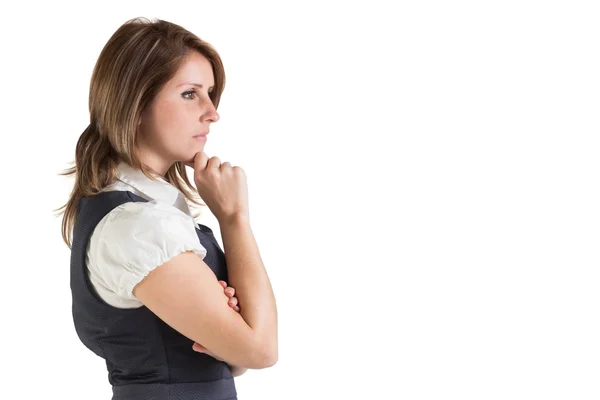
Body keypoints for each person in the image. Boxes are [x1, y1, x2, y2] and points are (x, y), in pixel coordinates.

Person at [55, 17, 278, 400]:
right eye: (190, 93)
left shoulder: (144, 214)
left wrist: (234, 341)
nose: (212, 112)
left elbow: (240, 357)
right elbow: (260, 351)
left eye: (210, 93)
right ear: (136, 103)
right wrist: (234, 218)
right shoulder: (139, 225)